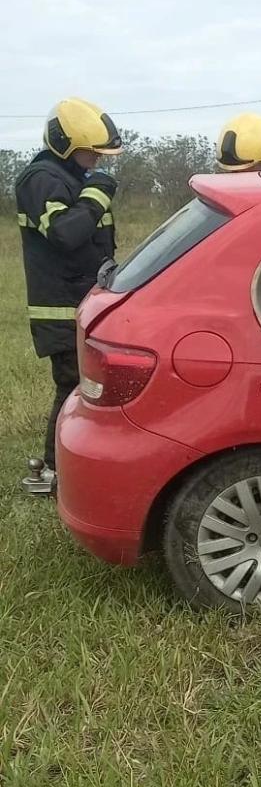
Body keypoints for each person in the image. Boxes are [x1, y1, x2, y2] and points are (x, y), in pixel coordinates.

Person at [15, 98, 124, 493]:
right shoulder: (40, 180)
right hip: (61, 310)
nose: (97, 159)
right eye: (90, 151)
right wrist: (97, 195)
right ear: (65, 144)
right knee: (74, 389)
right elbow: (65, 233)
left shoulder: (72, 176)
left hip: (83, 304)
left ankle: (68, 467)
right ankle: (55, 473)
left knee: (86, 389)